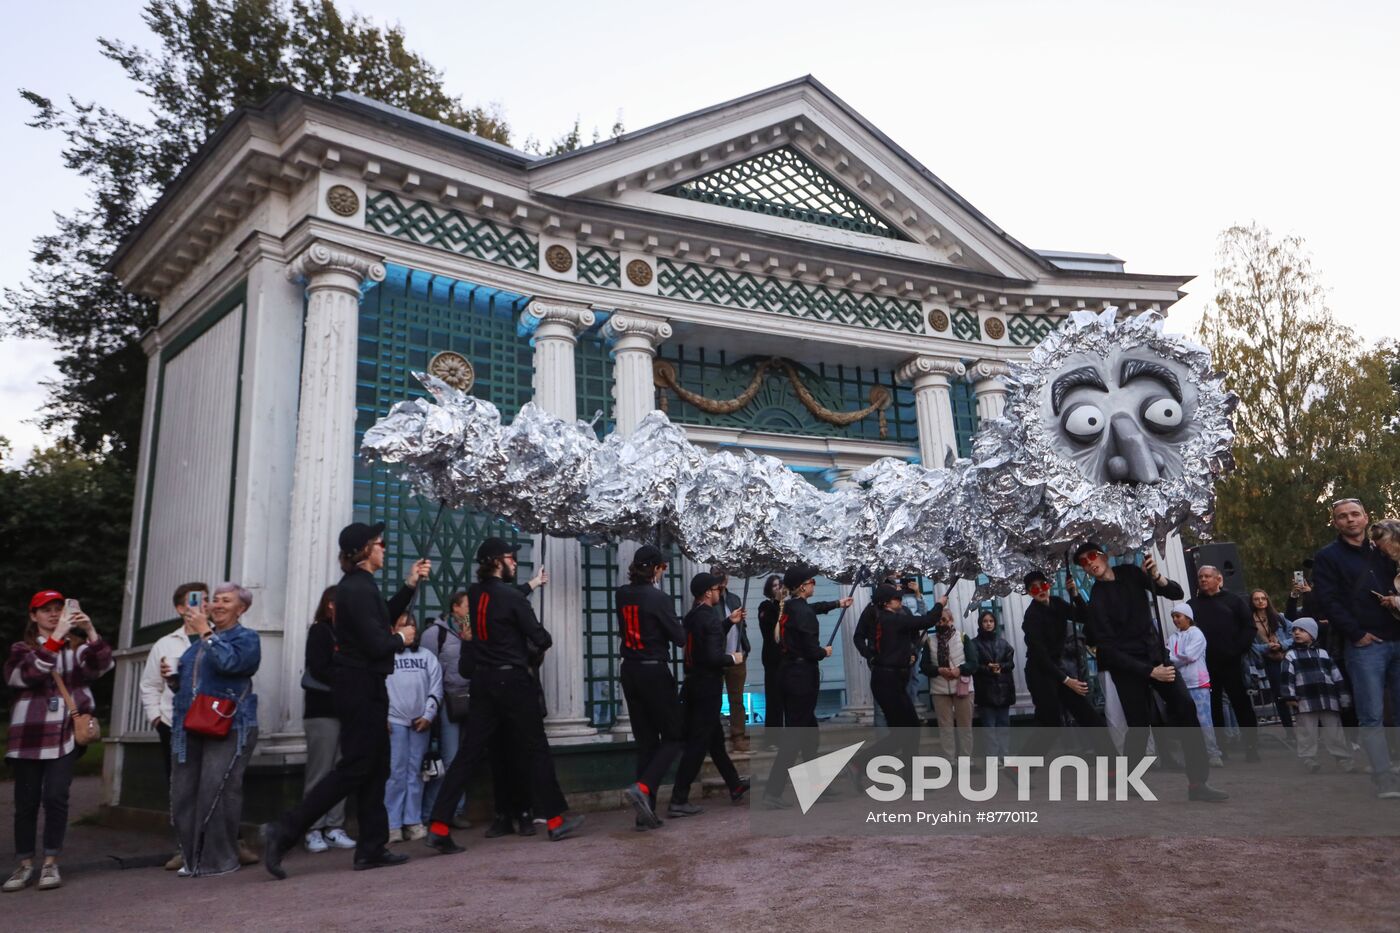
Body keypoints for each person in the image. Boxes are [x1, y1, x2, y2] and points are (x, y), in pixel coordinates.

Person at [264, 521, 427, 878]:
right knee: (356, 767)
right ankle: (286, 829)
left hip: (366, 686)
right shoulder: (355, 589)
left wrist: (409, 584)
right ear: (364, 551)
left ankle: (371, 847)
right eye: (379, 542)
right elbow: (377, 641)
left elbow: (380, 616)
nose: (384, 547)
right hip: (360, 687)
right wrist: (401, 638)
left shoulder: (359, 587)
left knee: (376, 767)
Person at [423, 537, 583, 854]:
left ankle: (439, 825)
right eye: (510, 557)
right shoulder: (510, 597)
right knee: (536, 749)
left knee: (467, 755)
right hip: (512, 680)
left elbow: (487, 620)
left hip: (482, 683)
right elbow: (541, 637)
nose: (513, 562)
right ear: (497, 561)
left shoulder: (473, 594)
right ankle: (554, 821)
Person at [1075, 542, 1227, 801]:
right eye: (1082, 562)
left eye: (1091, 556)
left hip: (1157, 657)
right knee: (1139, 724)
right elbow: (1108, 651)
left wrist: (1157, 576)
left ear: (1102, 555)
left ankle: (1197, 784)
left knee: (1186, 708)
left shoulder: (1131, 573)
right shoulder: (1097, 600)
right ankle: (1130, 780)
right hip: (1128, 668)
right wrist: (1149, 673)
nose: (1089, 563)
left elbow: (1176, 593)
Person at [3, 591, 113, 893]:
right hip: (29, 735)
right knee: (25, 803)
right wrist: (54, 641)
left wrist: (89, 631)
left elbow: (102, 665)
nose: (53, 614)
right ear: (33, 615)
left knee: (55, 797)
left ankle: (51, 862)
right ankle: (24, 865)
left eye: (58, 609)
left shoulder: (77, 649)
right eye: (46, 610)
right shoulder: (21, 649)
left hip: (66, 734)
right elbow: (23, 676)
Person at [169, 583, 261, 877]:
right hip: (191, 725)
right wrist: (172, 678)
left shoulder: (246, 638)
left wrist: (205, 633)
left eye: (226, 601)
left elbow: (231, 664)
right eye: (216, 600)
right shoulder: (197, 644)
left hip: (230, 724)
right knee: (185, 793)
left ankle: (219, 860)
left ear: (241, 609)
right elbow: (193, 682)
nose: (218, 604)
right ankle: (192, 858)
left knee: (217, 791)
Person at [1311, 499, 1400, 799]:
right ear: (1335, 522)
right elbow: (1328, 601)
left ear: (1365, 518)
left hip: (1398, 638)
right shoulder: (1328, 557)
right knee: (1371, 715)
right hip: (1366, 646)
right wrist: (1357, 634)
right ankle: (1383, 779)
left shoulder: (1386, 549)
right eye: (1342, 516)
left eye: (1354, 514)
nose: (1349, 520)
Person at [760, 564, 851, 808]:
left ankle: (815, 784)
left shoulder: (788, 607)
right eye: (811, 582)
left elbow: (811, 609)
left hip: (789, 674)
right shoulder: (801, 612)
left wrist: (837, 604)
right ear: (802, 586)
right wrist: (825, 651)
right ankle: (773, 791)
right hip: (802, 677)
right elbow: (813, 649)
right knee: (796, 735)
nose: (814, 584)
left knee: (810, 735)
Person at [668, 572, 751, 818]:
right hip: (708, 687)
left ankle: (734, 784)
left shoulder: (693, 616)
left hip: (693, 684)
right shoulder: (710, 619)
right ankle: (678, 798)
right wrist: (732, 658)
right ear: (707, 592)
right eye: (717, 589)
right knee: (699, 743)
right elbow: (713, 657)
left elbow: (705, 639)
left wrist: (728, 622)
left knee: (714, 740)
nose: (719, 592)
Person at [616, 545, 687, 829]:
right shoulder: (659, 598)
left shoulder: (622, 594)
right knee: (674, 736)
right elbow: (679, 637)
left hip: (630, 670)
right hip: (653, 671)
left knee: (646, 742)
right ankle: (643, 788)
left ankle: (645, 815)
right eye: (662, 567)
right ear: (656, 569)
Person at [139, 581, 207, 871]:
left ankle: (218, 843)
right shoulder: (166, 643)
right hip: (173, 723)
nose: (203, 605)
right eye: (195, 601)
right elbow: (149, 684)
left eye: (206, 600)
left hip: (211, 721)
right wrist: (156, 717)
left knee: (212, 782)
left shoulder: (214, 636)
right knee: (179, 786)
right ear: (181, 608)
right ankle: (184, 846)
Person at [1019, 570, 1115, 763]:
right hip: (1040, 673)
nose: (1041, 590)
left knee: (1089, 715)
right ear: (1030, 593)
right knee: (1051, 723)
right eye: (1035, 588)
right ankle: (1020, 767)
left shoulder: (1057, 603)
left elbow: (1085, 617)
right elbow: (1041, 656)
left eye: (1043, 585)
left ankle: (1112, 766)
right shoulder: (1031, 618)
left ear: (1049, 585)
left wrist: (1075, 594)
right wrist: (1067, 680)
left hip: (1057, 668)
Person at [301, 586, 356, 854]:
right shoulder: (320, 631)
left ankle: (335, 826)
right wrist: (348, 674)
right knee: (319, 771)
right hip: (322, 710)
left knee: (340, 769)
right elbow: (319, 666)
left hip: (345, 709)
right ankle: (312, 828)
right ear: (331, 605)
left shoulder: (349, 633)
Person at [1188, 565, 1260, 762]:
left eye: (1207, 576)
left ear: (1218, 579)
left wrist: (1237, 650)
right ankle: (1219, 748)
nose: (1203, 580)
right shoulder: (1192, 605)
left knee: (1241, 704)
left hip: (1232, 662)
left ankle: (1251, 747)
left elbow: (1249, 628)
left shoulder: (1234, 601)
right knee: (1213, 707)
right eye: (1200, 577)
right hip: (1205, 665)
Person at [385, 614, 442, 843]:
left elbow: (436, 687)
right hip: (394, 721)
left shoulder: (426, 656)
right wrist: (383, 716)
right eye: (403, 625)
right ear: (393, 630)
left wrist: (429, 714)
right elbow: (379, 685)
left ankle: (412, 820)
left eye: (412, 625)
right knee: (395, 772)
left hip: (420, 723)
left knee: (416, 772)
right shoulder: (387, 655)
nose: (409, 629)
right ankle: (392, 823)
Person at [421, 591, 472, 831]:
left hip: (470, 700)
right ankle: (433, 813)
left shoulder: (475, 633)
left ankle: (457, 810)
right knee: (449, 758)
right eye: (467, 606)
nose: (470, 611)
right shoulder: (435, 634)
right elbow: (426, 670)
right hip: (446, 703)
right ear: (455, 608)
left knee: (464, 758)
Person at [1280, 617, 1355, 774]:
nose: (1296, 633)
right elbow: (1287, 677)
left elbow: (1337, 677)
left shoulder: (1324, 654)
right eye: (1294, 630)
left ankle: (1342, 757)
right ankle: (1309, 758)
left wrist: (1344, 697)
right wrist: (1289, 696)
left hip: (1328, 700)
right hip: (1304, 701)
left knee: (1334, 730)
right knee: (1306, 731)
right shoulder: (1291, 655)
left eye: (1301, 630)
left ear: (1312, 634)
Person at [1167, 603, 1222, 767]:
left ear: (1188, 617)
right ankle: (1192, 754)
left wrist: (1173, 659)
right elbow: (1168, 655)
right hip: (1181, 683)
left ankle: (1212, 753)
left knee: (1204, 720)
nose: (1176, 620)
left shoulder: (1197, 634)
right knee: (1186, 721)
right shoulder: (1173, 637)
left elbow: (1189, 655)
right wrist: (1176, 658)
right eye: (1174, 617)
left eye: (1179, 616)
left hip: (1198, 682)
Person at [919, 604, 974, 760]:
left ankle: (966, 759)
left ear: (951, 620)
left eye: (943, 620)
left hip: (963, 688)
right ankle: (949, 760)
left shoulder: (963, 638)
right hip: (940, 689)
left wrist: (960, 669)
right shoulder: (930, 641)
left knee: (965, 727)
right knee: (945, 728)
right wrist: (938, 670)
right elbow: (924, 666)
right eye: (937, 621)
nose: (940, 624)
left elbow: (973, 662)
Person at [711, 566, 751, 752]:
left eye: (723, 575)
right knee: (714, 699)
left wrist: (745, 648)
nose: (722, 579)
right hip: (719, 656)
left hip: (737, 655)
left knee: (737, 699)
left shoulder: (734, 598)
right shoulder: (710, 600)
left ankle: (738, 736)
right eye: (718, 575)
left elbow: (741, 625)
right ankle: (716, 738)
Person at [970, 609, 1015, 761]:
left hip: (1003, 689)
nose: (988, 624)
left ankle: (1005, 755)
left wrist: (1000, 666)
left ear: (995, 623)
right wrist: (988, 668)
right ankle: (993, 757)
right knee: (989, 727)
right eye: (985, 621)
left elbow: (1011, 663)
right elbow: (974, 665)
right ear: (980, 623)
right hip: (985, 690)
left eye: (991, 621)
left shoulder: (1003, 643)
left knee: (1004, 726)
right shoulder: (974, 644)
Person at [1249, 588, 1295, 728]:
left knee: (1295, 691)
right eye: (1257, 599)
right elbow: (1251, 645)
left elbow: (1294, 633)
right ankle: (1289, 729)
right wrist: (1267, 647)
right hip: (1269, 660)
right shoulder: (1250, 621)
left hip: (1286, 657)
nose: (1261, 601)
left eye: (1263, 598)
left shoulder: (1278, 617)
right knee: (1279, 695)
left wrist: (1282, 645)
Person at [756, 574, 786, 733]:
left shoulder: (784, 606)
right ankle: (773, 734)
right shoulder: (765, 606)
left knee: (784, 696)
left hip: (785, 656)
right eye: (775, 586)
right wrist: (777, 603)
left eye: (780, 585)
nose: (778, 588)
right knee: (773, 696)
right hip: (772, 657)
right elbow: (769, 628)